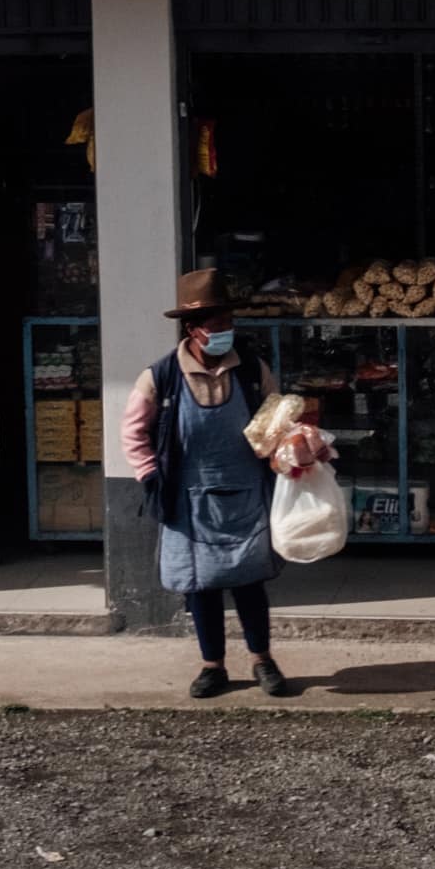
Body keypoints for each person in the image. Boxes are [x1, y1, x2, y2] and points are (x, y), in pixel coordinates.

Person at [121, 267, 291, 699]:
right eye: (216, 325)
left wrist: (294, 451)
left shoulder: (251, 370)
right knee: (202, 587)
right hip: (188, 498)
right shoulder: (160, 377)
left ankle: (262, 660)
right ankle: (212, 666)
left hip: (247, 492)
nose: (225, 333)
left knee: (250, 582)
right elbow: (133, 433)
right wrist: (150, 475)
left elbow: (275, 421)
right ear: (192, 329)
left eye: (228, 323)